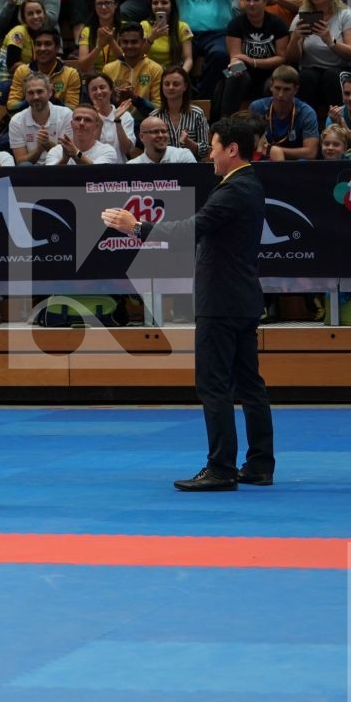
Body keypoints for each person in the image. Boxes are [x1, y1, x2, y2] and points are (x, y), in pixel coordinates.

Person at [102, 116, 274, 491]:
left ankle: (222, 468)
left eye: (213, 147)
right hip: (241, 298)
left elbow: (188, 229)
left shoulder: (233, 190)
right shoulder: (249, 185)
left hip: (222, 302)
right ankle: (259, 463)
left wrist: (137, 227)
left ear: (231, 149)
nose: (209, 154)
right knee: (249, 385)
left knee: (214, 385)